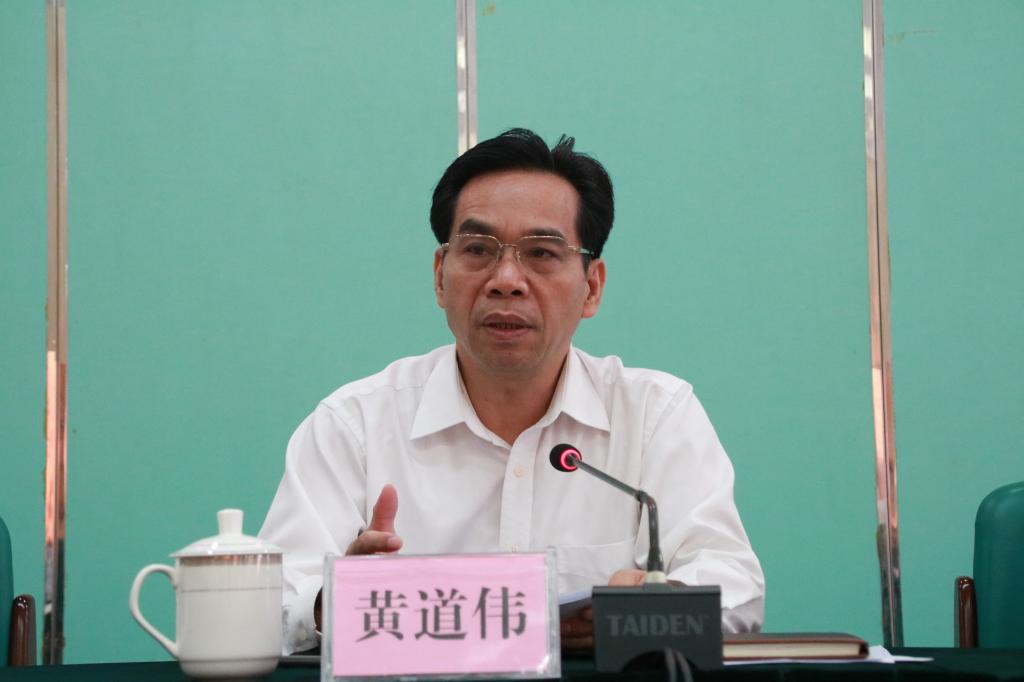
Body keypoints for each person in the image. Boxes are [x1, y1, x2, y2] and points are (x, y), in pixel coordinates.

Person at [259, 128, 764, 654]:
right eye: (478, 249)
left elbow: (734, 587)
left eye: (541, 253)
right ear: (440, 275)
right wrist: (339, 600)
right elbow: (272, 603)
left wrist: (646, 611)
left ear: (591, 287)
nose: (506, 279)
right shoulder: (355, 425)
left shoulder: (655, 416)